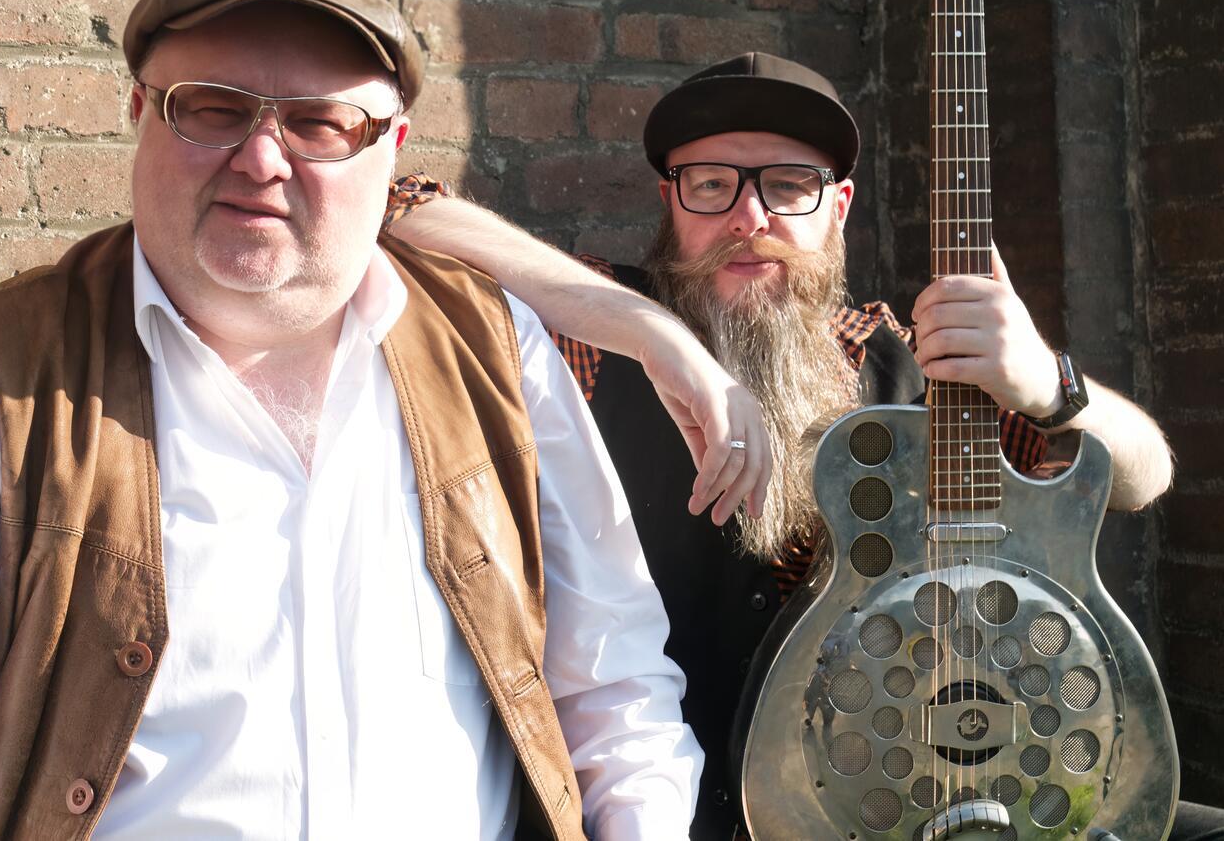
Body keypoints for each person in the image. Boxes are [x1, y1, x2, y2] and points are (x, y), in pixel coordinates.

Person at [0, 0, 703, 840]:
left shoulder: (499, 353)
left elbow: (617, 695)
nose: (261, 158)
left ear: (393, 148)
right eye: (214, 108)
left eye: (321, 124)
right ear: (138, 111)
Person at [386, 52, 1221, 840]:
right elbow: (397, 203)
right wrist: (654, 332)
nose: (750, 218)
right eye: (710, 184)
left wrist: (1046, 379)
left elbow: (1140, 474)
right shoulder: (583, 341)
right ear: (669, 202)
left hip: (878, 809)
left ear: (839, 206)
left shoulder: (898, 358)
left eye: (788, 187)